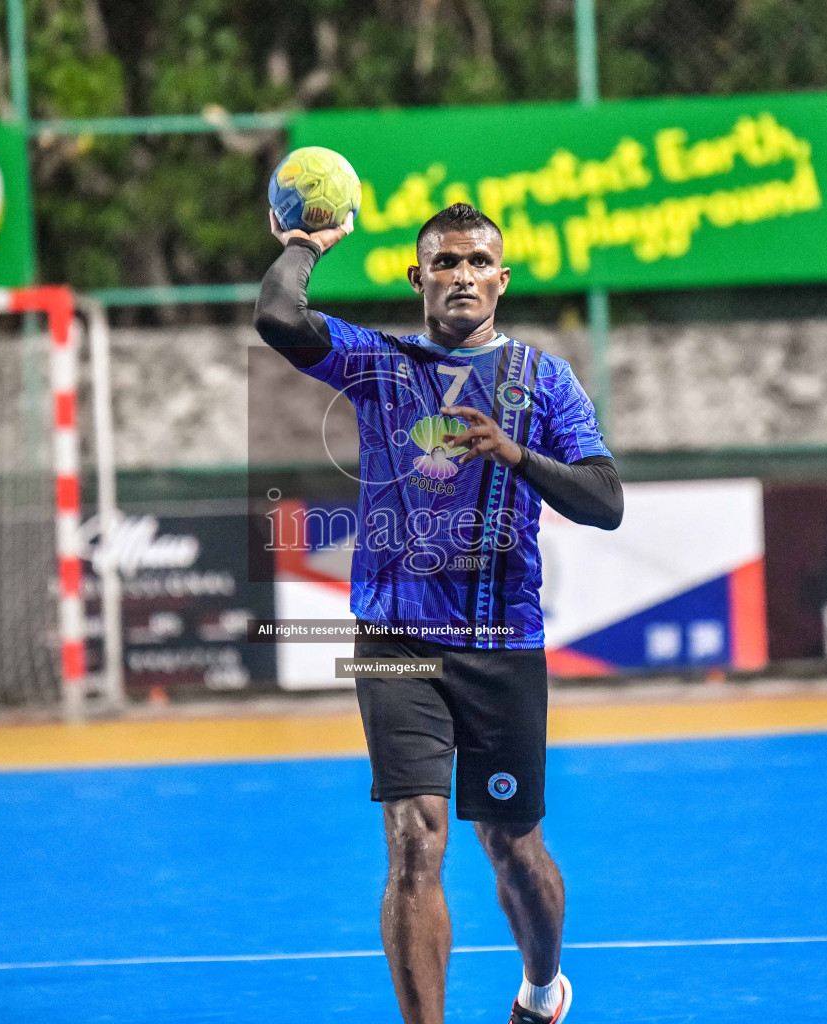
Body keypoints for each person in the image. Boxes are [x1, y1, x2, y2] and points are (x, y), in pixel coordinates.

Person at [254, 201, 623, 1024]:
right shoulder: (379, 362)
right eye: (444, 263)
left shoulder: (544, 381)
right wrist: (308, 244)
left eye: (476, 262)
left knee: (512, 845)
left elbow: (606, 502)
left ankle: (541, 989)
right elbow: (279, 314)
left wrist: (515, 453)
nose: (461, 276)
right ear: (418, 279)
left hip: (503, 640)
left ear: (501, 279)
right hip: (393, 636)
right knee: (414, 839)